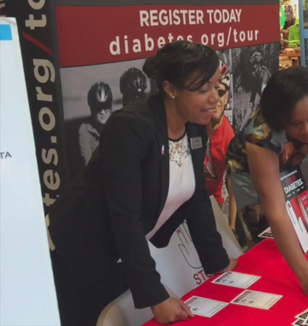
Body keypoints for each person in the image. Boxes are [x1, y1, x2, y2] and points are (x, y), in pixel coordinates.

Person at [48, 41, 237, 326]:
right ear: (170, 88)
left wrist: (218, 263)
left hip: (123, 251)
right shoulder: (130, 127)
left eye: (215, 85)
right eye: (202, 90)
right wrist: (155, 297)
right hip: (82, 248)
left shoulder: (196, 124)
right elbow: (125, 217)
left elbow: (196, 199)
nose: (215, 98)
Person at [226, 67, 308, 303]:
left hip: (289, 161)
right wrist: (305, 276)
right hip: (249, 171)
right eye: (296, 124)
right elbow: (275, 211)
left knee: (303, 233)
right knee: (264, 240)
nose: (307, 131)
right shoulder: (260, 137)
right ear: (281, 120)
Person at [204, 60, 239, 239]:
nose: (216, 99)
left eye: (221, 93)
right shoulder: (190, 126)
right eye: (209, 92)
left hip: (217, 204)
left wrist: (231, 226)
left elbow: (233, 186)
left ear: (226, 97)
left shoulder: (229, 137)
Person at [78, 82, 113, 165]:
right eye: (98, 107)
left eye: (106, 106)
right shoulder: (85, 130)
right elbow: (88, 165)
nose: (102, 112)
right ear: (92, 108)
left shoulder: (118, 125)